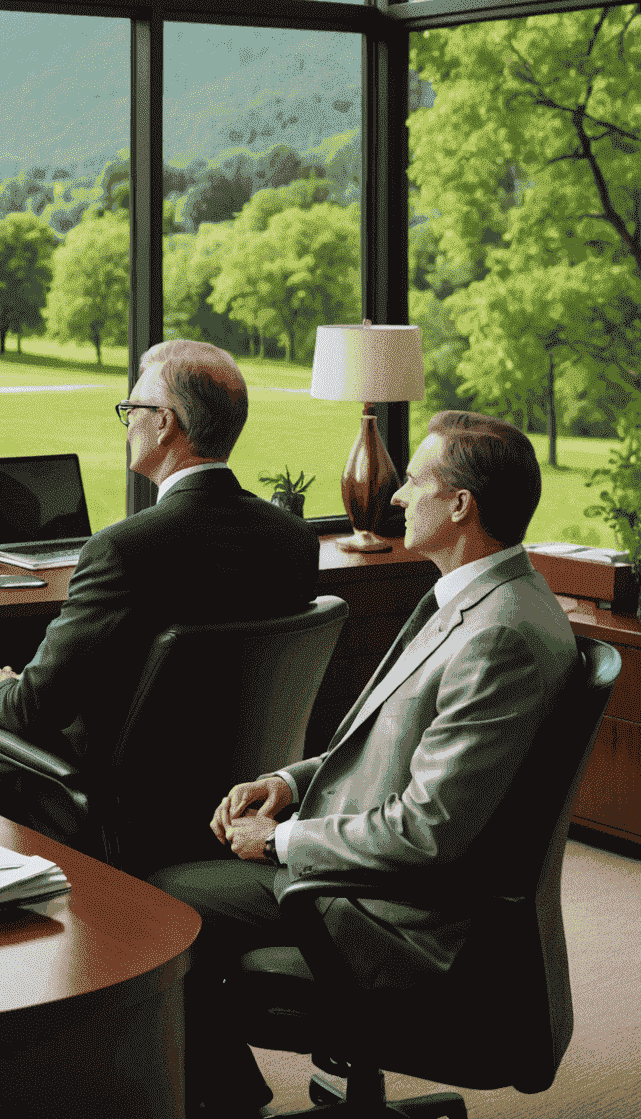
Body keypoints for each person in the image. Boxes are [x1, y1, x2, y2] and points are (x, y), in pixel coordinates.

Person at [150, 410, 578, 1118]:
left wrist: (279, 842)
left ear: (462, 505)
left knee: (166, 904)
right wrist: (287, 783)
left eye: (414, 482)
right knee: (182, 877)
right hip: (375, 876)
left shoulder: (498, 637)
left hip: (400, 919)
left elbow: (428, 832)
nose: (400, 497)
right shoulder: (483, 600)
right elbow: (389, 744)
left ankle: (219, 1106)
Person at [0, 339, 319, 837]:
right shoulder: (294, 539)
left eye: (132, 410)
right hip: (226, 793)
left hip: (109, 801)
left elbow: (33, 710)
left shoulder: (123, 550)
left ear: (164, 423)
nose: (127, 424)